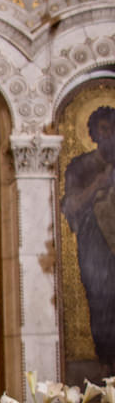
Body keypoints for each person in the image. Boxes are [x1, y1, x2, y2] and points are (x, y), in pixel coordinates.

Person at [61, 104, 115, 373]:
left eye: (114, 130)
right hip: (95, 241)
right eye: (104, 130)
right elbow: (70, 205)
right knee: (102, 298)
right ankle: (106, 361)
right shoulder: (81, 165)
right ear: (93, 134)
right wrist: (97, 185)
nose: (110, 136)